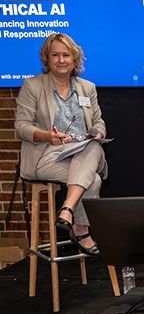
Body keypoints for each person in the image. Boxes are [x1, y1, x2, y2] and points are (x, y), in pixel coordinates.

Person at [14, 33, 107, 256]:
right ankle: (81, 230)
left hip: (80, 153)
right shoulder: (32, 86)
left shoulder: (87, 88)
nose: (61, 60)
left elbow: (98, 121)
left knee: (93, 146)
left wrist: (98, 132)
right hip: (46, 155)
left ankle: (67, 210)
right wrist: (47, 136)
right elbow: (21, 126)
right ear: (47, 59)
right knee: (91, 179)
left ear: (74, 59)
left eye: (66, 55)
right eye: (55, 55)